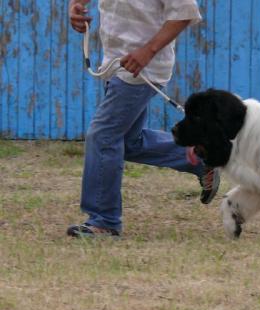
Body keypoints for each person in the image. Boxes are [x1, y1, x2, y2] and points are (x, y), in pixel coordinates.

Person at [67, 0, 219, 237]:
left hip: (142, 68)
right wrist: (77, 5)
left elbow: (185, 12)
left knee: (104, 136)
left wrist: (147, 51)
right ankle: (199, 156)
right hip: (116, 63)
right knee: (129, 142)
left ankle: (104, 221)